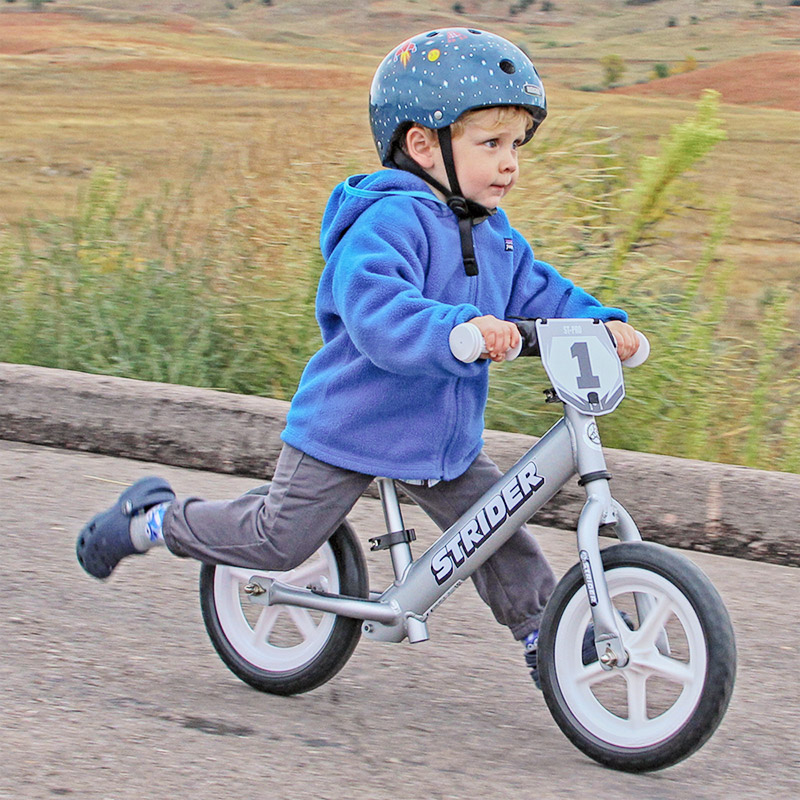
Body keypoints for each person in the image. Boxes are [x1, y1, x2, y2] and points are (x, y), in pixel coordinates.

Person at [76, 28, 640, 688]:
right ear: (424, 144)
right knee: (276, 541)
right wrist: (458, 331)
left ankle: (548, 635)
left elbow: (539, 288)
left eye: (517, 143)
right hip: (348, 425)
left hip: (439, 439)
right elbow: (378, 312)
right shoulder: (385, 223)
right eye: (491, 143)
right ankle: (153, 521)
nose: (511, 162)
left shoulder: (493, 233)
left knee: (497, 527)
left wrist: (600, 323)